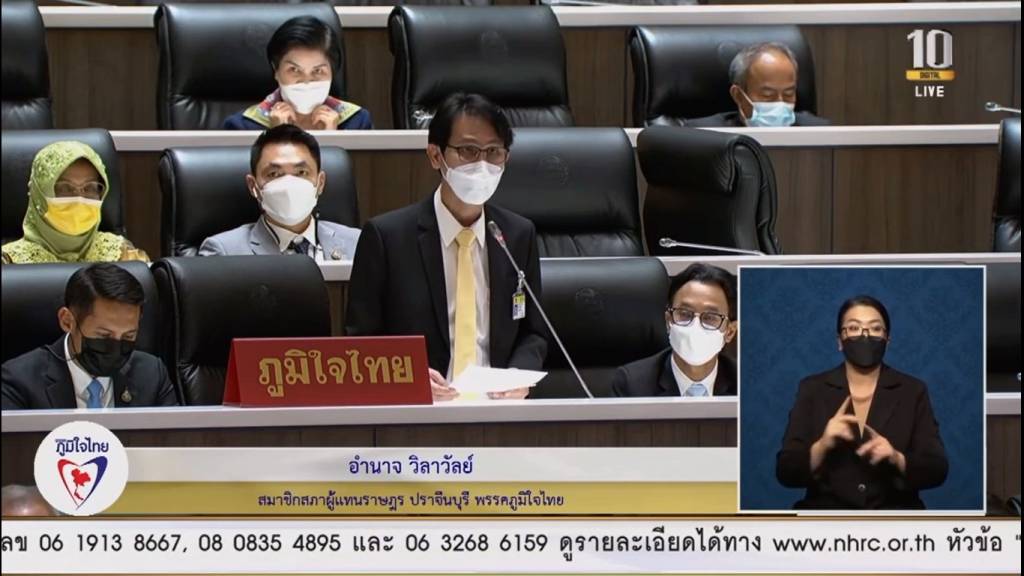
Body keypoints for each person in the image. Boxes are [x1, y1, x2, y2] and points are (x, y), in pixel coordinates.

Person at [345, 93, 547, 402]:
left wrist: (519, 376)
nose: (482, 165)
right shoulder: (387, 238)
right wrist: (406, 376)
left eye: (494, 152)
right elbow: (361, 342)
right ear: (435, 155)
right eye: (468, 151)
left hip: (498, 408)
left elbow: (533, 332)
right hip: (419, 409)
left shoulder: (517, 235)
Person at [776, 296, 948, 509]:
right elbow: (785, 471)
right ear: (839, 341)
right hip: (827, 518)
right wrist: (822, 446)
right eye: (854, 328)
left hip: (894, 518)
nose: (865, 335)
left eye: (875, 329)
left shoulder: (913, 390)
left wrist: (897, 458)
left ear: (887, 340)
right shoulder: (812, 388)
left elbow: (937, 468)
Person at [1, 264, 178, 410]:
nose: (115, 348)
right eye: (104, 335)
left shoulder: (152, 375)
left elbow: (173, 440)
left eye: (128, 335)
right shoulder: (18, 381)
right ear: (67, 321)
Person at [198, 124, 360, 260]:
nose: (289, 184)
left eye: (301, 172)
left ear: (320, 183)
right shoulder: (223, 252)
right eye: (274, 174)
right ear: (253, 186)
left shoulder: (358, 243)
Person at [2, 141, 148, 265]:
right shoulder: (8, 262)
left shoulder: (123, 255)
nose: (79, 199)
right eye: (65, 188)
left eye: (90, 188)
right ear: (39, 195)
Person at [223, 16, 372, 131]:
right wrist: (277, 136)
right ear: (276, 71)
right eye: (294, 70)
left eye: (317, 71)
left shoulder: (356, 122)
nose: (306, 81)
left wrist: (333, 140)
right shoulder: (242, 126)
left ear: (333, 72)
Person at [612, 263, 737, 397]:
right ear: (668, 321)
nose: (695, 326)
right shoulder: (632, 385)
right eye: (684, 314)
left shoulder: (748, 383)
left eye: (710, 317)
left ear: (730, 331)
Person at [686, 42, 830, 128]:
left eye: (788, 94)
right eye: (768, 95)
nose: (780, 104)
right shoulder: (705, 135)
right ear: (738, 96)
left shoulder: (819, 134)